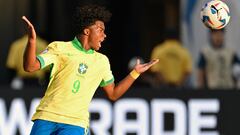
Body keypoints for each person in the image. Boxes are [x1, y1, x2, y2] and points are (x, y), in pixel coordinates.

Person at [22, 5, 159, 135]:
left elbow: (113, 94)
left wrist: (135, 73)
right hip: (47, 116)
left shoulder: (102, 61)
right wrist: (32, 42)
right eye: (100, 30)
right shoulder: (59, 48)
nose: (104, 35)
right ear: (87, 31)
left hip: (75, 123)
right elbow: (29, 66)